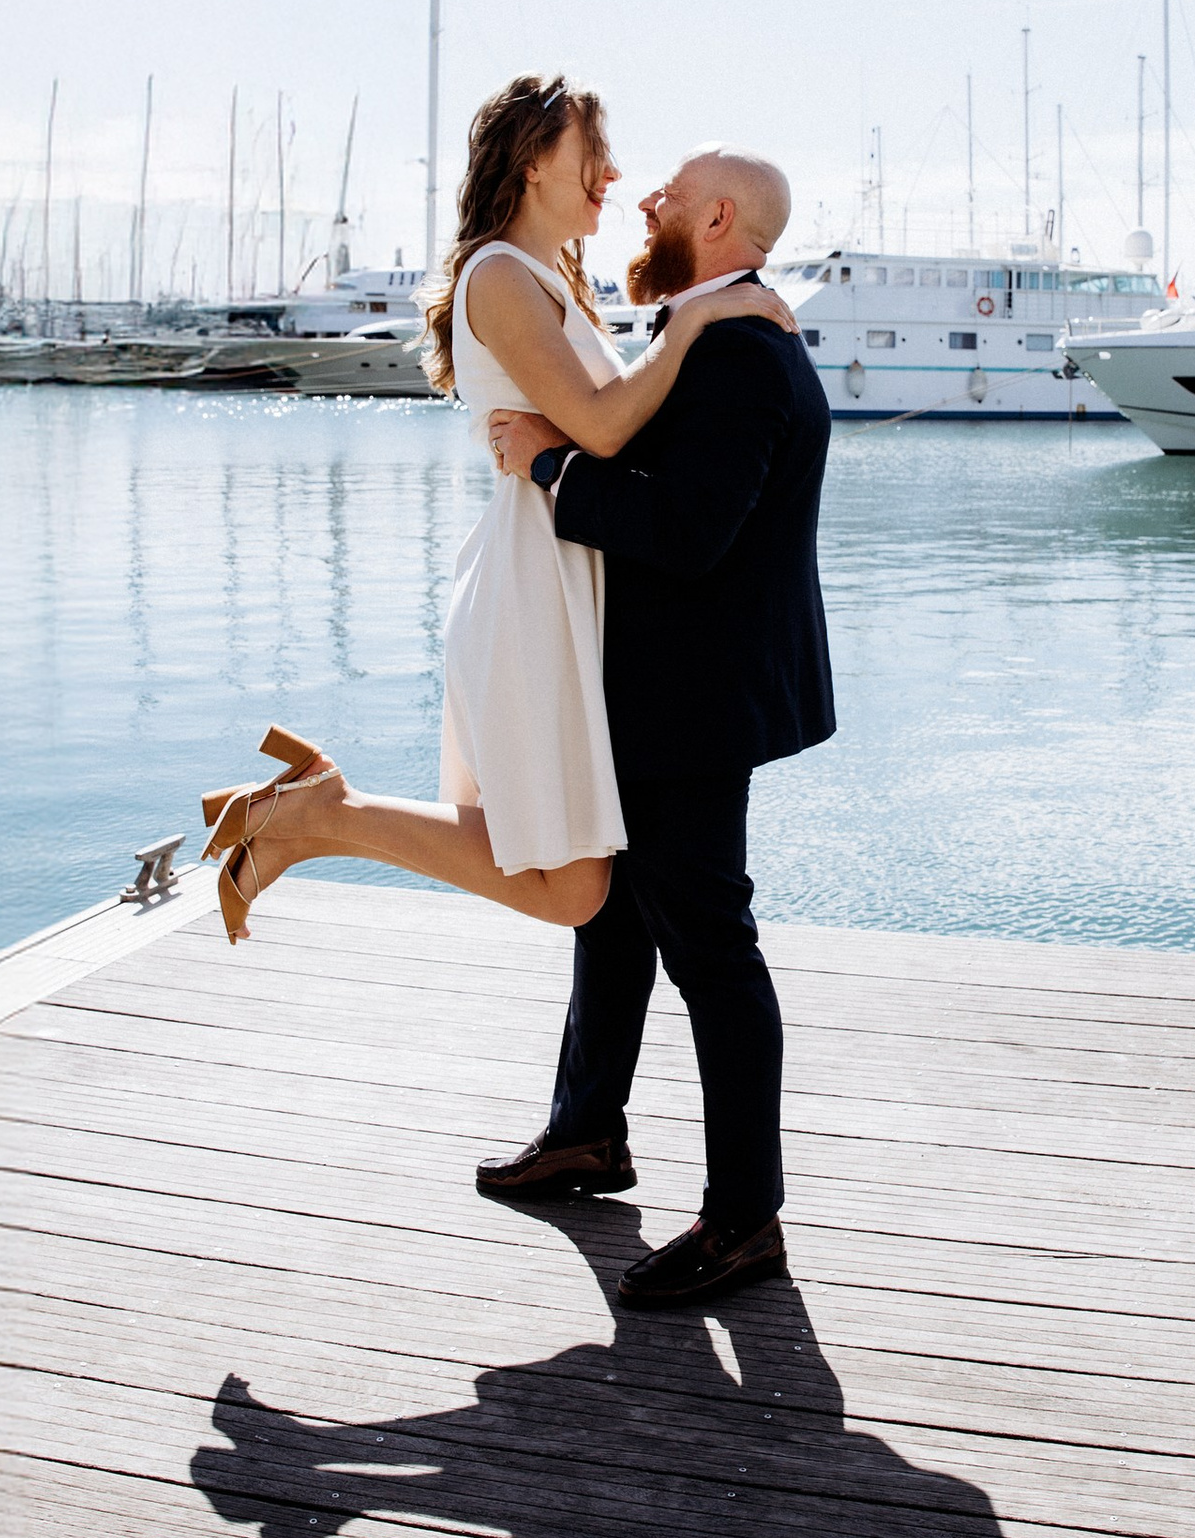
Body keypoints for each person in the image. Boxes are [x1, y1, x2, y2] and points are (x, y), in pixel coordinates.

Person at [199, 75, 792, 950]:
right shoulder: (500, 276)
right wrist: (695, 319)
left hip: (562, 573)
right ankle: (320, 815)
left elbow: (606, 427)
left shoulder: (544, 276)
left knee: (569, 875)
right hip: (534, 580)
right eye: (593, 155)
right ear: (532, 166)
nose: (614, 174)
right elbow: (600, 422)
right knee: (570, 887)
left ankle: (319, 813)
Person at [480, 139, 834, 1310]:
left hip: (690, 702)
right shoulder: (722, 327)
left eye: (672, 192)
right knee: (620, 918)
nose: (648, 199)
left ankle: (745, 1220)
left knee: (711, 952)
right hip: (671, 691)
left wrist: (547, 469)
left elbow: (686, 531)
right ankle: (588, 1132)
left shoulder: (734, 344)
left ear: (720, 216)